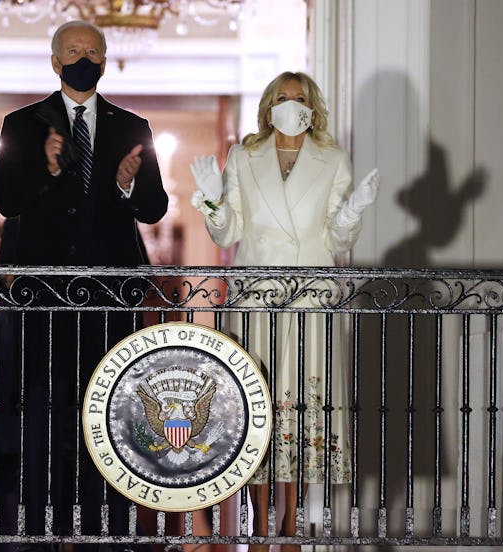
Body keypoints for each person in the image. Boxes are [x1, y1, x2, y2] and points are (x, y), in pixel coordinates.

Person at [0, 20, 168, 552]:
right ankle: (35, 530)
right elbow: (6, 201)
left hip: (111, 301)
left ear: (106, 59)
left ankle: (104, 531)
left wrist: (128, 185)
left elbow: (154, 207)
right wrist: (46, 171)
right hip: (41, 301)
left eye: (92, 50)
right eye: (73, 50)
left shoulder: (132, 125)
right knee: (40, 414)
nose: (83, 57)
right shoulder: (22, 125)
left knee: (106, 415)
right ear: (55, 61)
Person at [189, 71, 378, 551]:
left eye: (297, 97)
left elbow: (336, 237)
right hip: (256, 300)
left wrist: (354, 210)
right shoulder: (244, 156)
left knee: (302, 410)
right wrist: (212, 196)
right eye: (280, 98)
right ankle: (257, 524)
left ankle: (290, 528)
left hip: (310, 300)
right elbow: (227, 233)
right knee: (257, 410)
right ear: (267, 106)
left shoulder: (332, 159)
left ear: (312, 106)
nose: (289, 104)